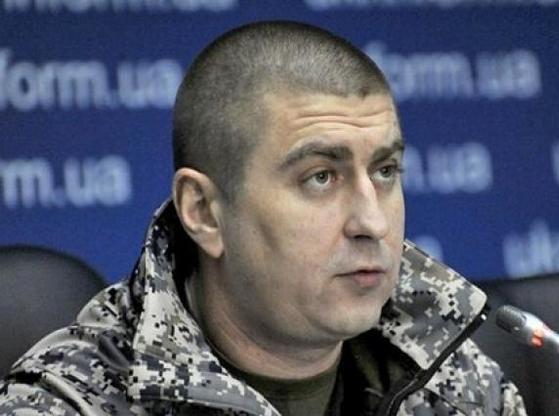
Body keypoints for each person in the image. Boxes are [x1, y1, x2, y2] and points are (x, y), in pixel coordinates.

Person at [0, 21, 527, 415]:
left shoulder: (458, 387)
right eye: (320, 177)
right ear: (204, 213)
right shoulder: (71, 405)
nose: (373, 223)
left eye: (385, 171)